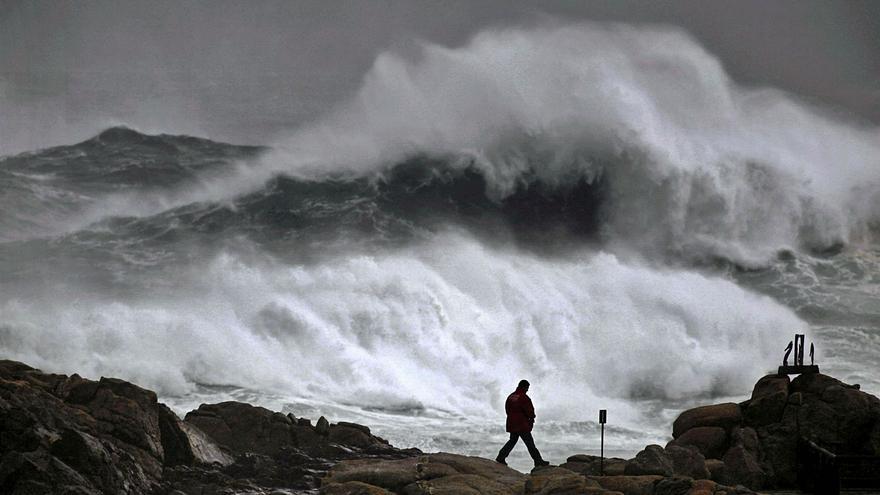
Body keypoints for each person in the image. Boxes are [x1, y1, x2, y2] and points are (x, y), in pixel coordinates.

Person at [495, 379, 550, 468]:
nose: (527, 390)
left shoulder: (511, 396)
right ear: (524, 387)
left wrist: (512, 419)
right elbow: (530, 412)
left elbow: (507, 409)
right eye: (527, 388)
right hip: (521, 424)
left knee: (512, 440)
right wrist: (531, 420)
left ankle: (501, 456)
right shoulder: (524, 397)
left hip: (512, 423)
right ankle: (538, 461)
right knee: (530, 443)